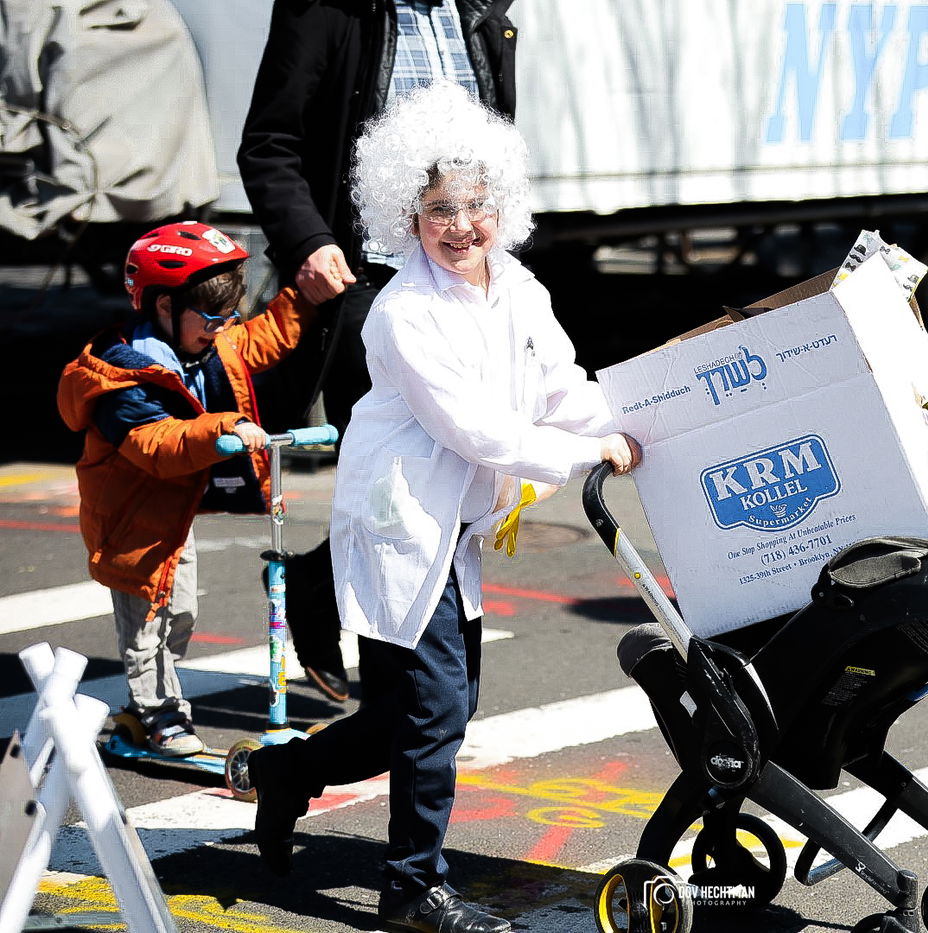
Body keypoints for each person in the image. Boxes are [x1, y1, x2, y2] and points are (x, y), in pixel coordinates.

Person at [245, 82, 640, 933]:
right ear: (404, 215)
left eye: (472, 204)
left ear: (501, 202)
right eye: (436, 209)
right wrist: (585, 454)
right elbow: (479, 430)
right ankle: (411, 887)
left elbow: (558, 385)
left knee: (413, 710)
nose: (459, 225)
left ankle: (288, 773)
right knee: (435, 711)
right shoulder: (401, 313)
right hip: (400, 525)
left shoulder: (519, 286)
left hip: (452, 525)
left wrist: (629, 426)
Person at [237, 0, 518, 701]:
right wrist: (308, 241)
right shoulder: (330, 8)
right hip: (369, 283)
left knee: (450, 483)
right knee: (403, 486)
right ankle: (407, 691)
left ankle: (323, 588)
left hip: (460, 280)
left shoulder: (482, 10)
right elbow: (269, 142)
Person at [56, 222, 314, 756]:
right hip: (131, 523)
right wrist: (224, 428)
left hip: (174, 513)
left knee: (183, 615)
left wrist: (306, 296)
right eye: (212, 318)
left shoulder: (210, 342)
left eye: (228, 317)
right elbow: (157, 443)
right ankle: (158, 713)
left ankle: (148, 704)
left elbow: (262, 338)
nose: (224, 329)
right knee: (148, 622)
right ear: (162, 306)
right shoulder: (118, 378)